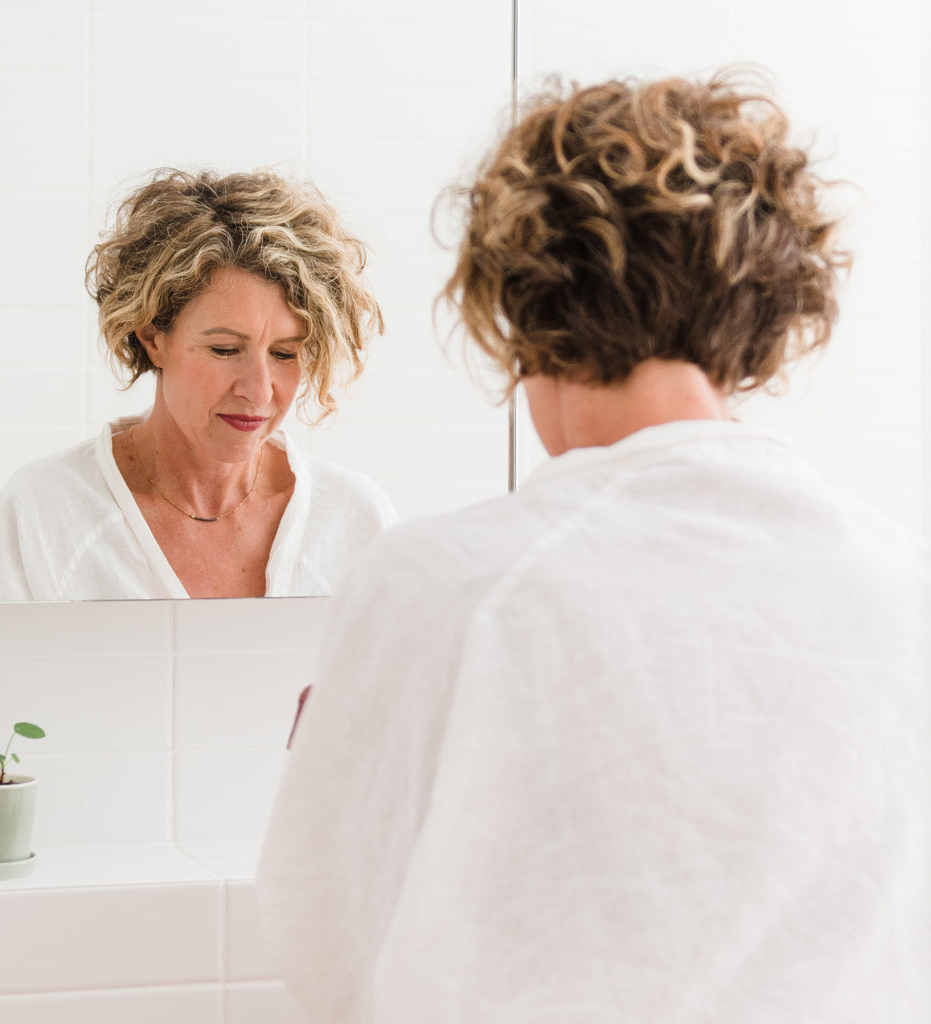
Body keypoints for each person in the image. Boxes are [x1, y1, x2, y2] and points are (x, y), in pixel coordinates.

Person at [255, 72, 930, 1022]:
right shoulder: (899, 580)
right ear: (764, 307)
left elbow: (325, 938)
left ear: (528, 305)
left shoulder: (451, 585)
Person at [0, 169, 396, 601]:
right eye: (225, 350)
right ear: (153, 338)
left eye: (284, 354)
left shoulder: (354, 520)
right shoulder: (45, 513)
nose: (260, 391)